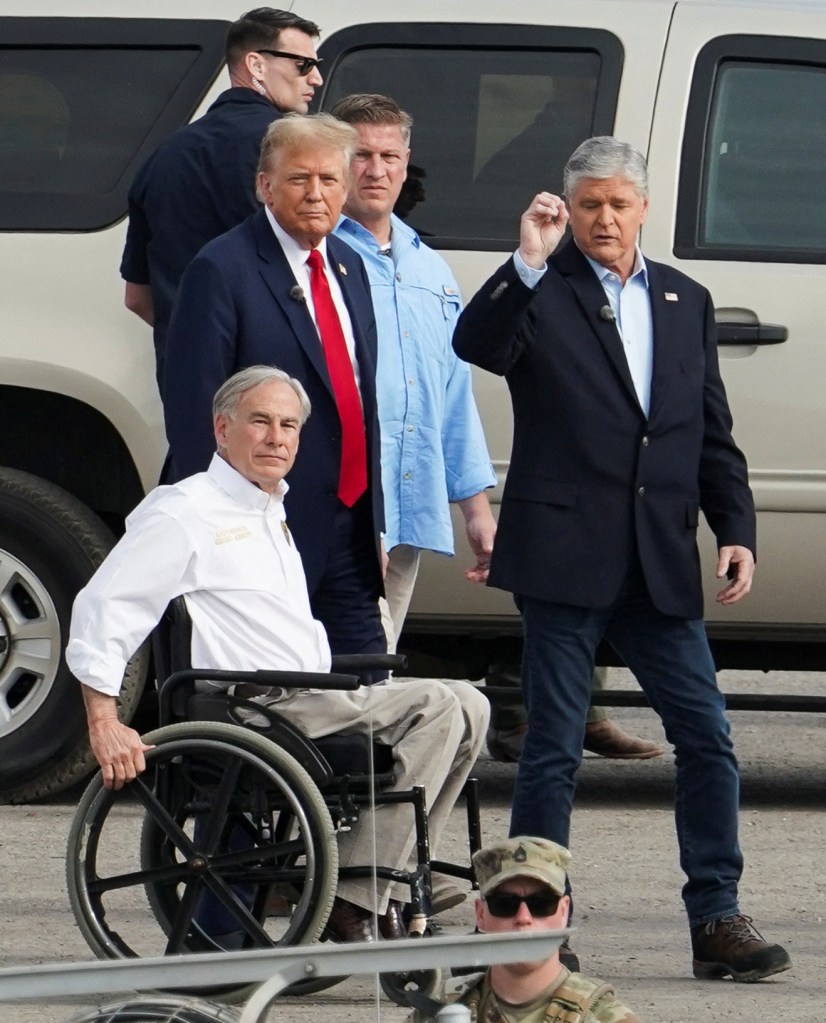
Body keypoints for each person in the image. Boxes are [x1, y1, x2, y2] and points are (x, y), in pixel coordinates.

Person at [452, 137, 791, 981]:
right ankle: (535, 922)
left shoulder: (684, 296)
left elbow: (708, 428)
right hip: (563, 555)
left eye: (620, 204)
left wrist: (735, 526)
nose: (605, 219)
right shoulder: (542, 289)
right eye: (589, 204)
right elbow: (477, 345)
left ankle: (717, 915)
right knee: (554, 746)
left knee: (709, 738)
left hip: (660, 559)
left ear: (644, 209)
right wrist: (525, 262)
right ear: (569, 209)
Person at [66, 365, 489, 943]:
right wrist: (104, 719)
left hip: (306, 693)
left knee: (473, 703)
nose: (277, 437)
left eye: (289, 425)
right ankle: (359, 891)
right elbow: (105, 606)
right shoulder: (185, 510)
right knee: (440, 704)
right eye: (260, 421)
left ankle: (392, 873)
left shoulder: (270, 511)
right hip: (253, 704)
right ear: (222, 429)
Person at [332, 93, 660, 763]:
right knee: (338, 671)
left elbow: (451, 395)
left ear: (406, 164)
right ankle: (326, 811)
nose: (375, 169)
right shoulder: (318, 260)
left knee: (375, 666)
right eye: (360, 155)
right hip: (341, 506)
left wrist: (477, 512)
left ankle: (357, 814)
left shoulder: (427, 267)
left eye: (389, 156)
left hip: (409, 505)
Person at [163, 113, 386, 666]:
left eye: (330, 180)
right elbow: (195, 409)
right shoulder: (221, 267)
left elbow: (354, 396)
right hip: (265, 527)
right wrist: (221, 533)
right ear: (265, 185)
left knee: (365, 687)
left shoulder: (349, 266)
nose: (316, 193)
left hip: (352, 525)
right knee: (266, 700)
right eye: (298, 179)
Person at [120, 7, 324, 387]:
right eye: (302, 64)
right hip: (276, 384)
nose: (316, 76)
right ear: (256, 65)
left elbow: (137, 297)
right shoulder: (292, 151)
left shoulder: (164, 155)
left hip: (188, 375)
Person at [419, 836, 639, 1022]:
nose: (523, 918)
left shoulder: (603, 1016)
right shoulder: (443, 1011)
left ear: (564, 911)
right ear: (480, 915)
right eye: (505, 904)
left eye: (541, 904)